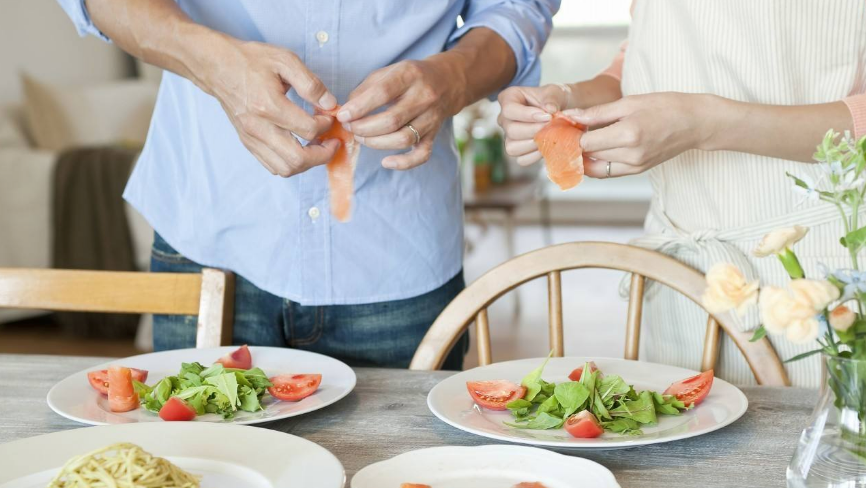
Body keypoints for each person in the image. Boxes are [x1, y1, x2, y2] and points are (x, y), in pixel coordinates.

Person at [57, 0, 560, 369]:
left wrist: (454, 75)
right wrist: (215, 64)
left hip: (396, 250)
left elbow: (519, 6)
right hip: (210, 231)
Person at [498, 0, 866, 387]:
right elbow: (647, 56)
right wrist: (569, 98)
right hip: (683, 273)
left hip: (816, 269)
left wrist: (703, 125)